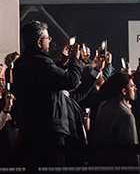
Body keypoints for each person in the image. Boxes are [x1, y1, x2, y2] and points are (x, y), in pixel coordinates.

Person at [10, 21, 85, 152]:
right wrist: (75, 60)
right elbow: (71, 81)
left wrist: (62, 63)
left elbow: (47, 81)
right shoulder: (42, 62)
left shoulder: (21, 63)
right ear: (39, 42)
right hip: (49, 132)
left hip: (29, 128)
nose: (49, 41)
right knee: (53, 170)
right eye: (47, 38)